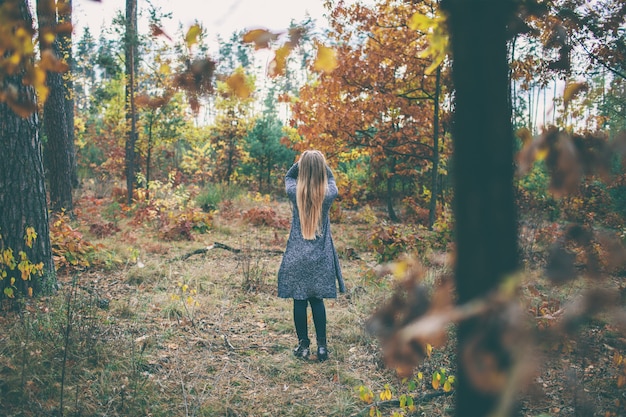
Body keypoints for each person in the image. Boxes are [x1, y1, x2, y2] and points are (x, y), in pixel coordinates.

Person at [277, 150, 345, 362]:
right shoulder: (329, 194)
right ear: (322, 169)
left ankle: (304, 347)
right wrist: (320, 164)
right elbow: (331, 178)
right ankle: (322, 348)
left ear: (303, 170)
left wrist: (301, 163)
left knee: (299, 300)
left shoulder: (294, 191)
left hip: (298, 256)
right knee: (317, 301)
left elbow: (288, 176)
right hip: (320, 257)